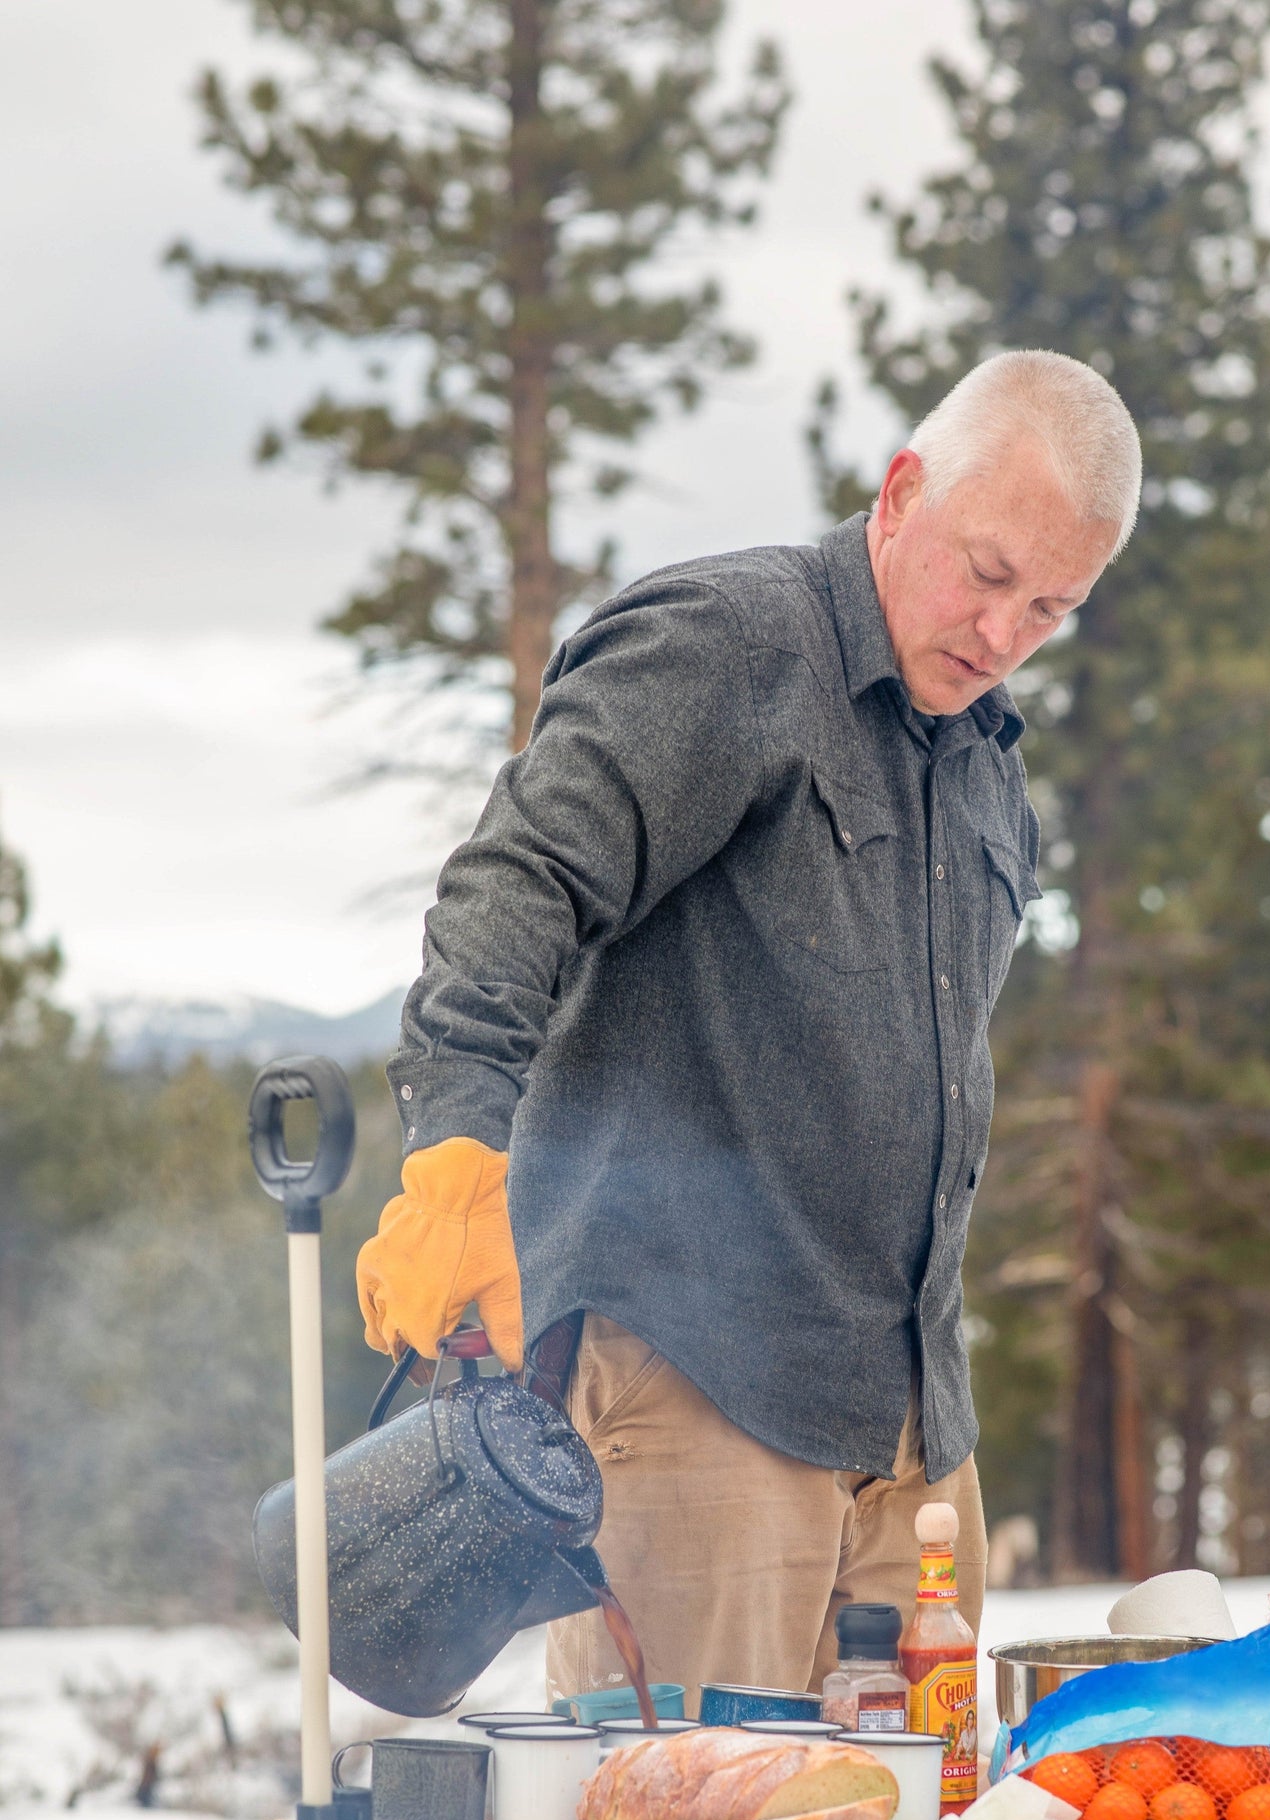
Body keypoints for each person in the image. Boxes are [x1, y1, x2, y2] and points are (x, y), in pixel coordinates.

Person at [356, 348, 1142, 1712]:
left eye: (1051, 607)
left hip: (911, 1434)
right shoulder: (726, 646)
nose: (1002, 628)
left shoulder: (986, 774)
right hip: (693, 1398)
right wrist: (455, 1153)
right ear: (901, 492)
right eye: (986, 570)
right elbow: (516, 883)